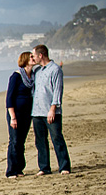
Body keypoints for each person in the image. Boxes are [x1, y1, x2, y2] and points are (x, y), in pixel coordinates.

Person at [30, 44, 71, 175]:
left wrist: (53, 108)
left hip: (51, 111)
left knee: (57, 138)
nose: (32, 58)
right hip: (37, 112)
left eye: (34, 55)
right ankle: (44, 168)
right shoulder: (37, 71)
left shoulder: (55, 69)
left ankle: (64, 166)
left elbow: (58, 91)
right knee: (40, 141)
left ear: (40, 55)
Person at [5, 51, 37, 177]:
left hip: (27, 113)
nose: (33, 58)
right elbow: (9, 99)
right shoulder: (16, 76)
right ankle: (11, 171)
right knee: (14, 140)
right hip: (15, 113)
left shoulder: (33, 76)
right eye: (31, 57)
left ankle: (19, 169)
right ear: (25, 60)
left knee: (21, 141)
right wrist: (13, 117)